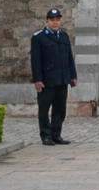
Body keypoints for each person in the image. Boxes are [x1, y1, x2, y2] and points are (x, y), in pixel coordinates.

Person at [29, 8, 77, 146]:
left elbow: (69, 58)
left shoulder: (63, 36)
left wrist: (73, 75)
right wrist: (37, 79)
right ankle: (46, 135)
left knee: (60, 108)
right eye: (52, 20)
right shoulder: (39, 37)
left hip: (62, 78)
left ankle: (56, 134)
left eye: (57, 20)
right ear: (47, 21)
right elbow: (36, 60)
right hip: (47, 80)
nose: (55, 23)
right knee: (44, 109)